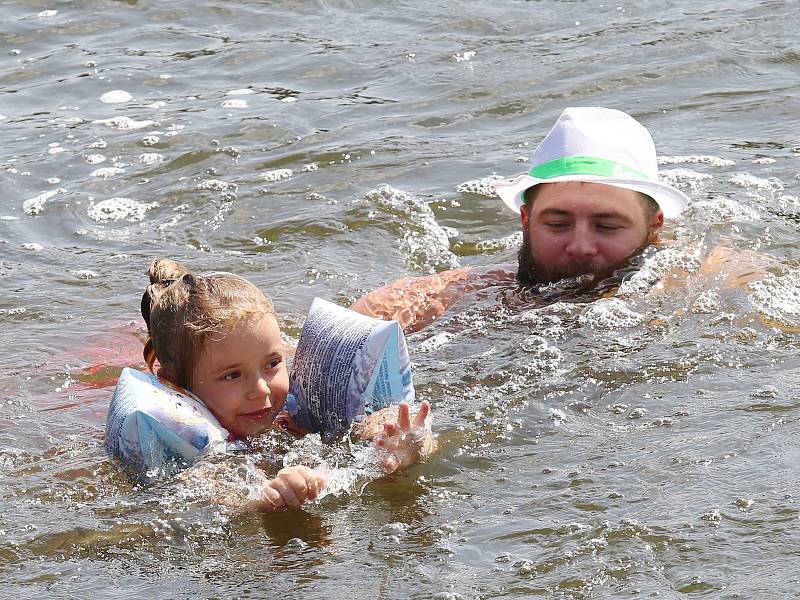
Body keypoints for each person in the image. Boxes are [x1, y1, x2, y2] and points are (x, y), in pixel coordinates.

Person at [351, 106, 760, 331]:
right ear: (525, 219)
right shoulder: (459, 296)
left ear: (655, 226)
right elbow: (328, 346)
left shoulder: (699, 283)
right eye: (557, 224)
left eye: (608, 225)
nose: (580, 244)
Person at [140, 258, 435, 511]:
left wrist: (405, 441)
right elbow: (197, 494)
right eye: (232, 375)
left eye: (271, 364)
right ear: (176, 385)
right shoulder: (187, 449)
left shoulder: (287, 410)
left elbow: (371, 424)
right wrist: (261, 496)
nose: (262, 389)